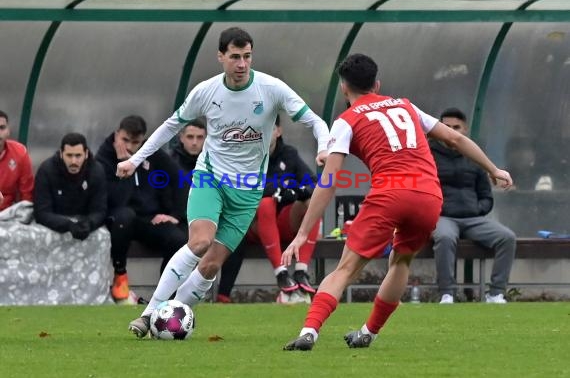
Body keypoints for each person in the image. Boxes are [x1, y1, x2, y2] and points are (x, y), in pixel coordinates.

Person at [282, 53, 512, 351]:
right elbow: (454, 140)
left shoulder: (347, 119)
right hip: (429, 196)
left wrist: (302, 233)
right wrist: (493, 169)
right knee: (401, 260)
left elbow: (328, 181)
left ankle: (309, 331)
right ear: (376, 84)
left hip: (389, 194)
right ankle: (369, 332)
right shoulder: (405, 105)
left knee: (346, 269)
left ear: (343, 88)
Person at [121, 27, 329, 338]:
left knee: (211, 265)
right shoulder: (206, 92)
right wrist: (135, 159)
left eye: (247, 56)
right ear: (221, 57)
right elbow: (170, 126)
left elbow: (315, 120)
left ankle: (169, 319)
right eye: (235, 57)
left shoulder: (270, 88)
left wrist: (324, 145)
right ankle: (151, 312)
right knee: (200, 242)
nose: (242, 64)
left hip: (247, 192)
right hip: (211, 178)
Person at [217, 115, 320, 303]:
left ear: (278, 131)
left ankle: (300, 271)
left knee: (313, 204)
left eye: (269, 129)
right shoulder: (247, 157)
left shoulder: (289, 154)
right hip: (254, 225)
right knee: (265, 203)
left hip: (284, 223)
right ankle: (281, 272)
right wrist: (279, 188)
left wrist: (296, 191)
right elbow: (244, 191)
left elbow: (313, 183)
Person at [96, 115, 188, 302]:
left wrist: (175, 215)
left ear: (143, 140)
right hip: (118, 217)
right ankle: (120, 274)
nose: (129, 147)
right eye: (125, 140)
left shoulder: (151, 153)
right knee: (125, 216)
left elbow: (181, 179)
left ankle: (165, 297)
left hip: (149, 219)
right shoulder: (104, 158)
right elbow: (116, 199)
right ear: (116, 135)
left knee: (178, 239)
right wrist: (127, 168)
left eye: (135, 142)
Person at [430, 108, 516, 304]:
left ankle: (496, 293)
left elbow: (486, 195)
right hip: (443, 217)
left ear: (465, 129)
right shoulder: (428, 154)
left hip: (473, 218)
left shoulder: (473, 156)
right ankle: (447, 294)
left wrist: (477, 209)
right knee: (444, 237)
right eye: (446, 126)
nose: (451, 130)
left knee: (507, 237)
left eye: (456, 127)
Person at [34, 133, 107, 240]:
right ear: (61, 154)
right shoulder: (46, 170)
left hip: (85, 224)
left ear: (86, 154)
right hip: (54, 223)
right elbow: (41, 212)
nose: (73, 161)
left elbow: (100, 210)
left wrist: (89, 223)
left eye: (78, 156)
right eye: (69, 155)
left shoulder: (96, 172)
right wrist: (68, 225)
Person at [0, 110, 34, 211]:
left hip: (8, 215)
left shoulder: (20, 153)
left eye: (1, 128)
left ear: (8, 130)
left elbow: (27, 193)